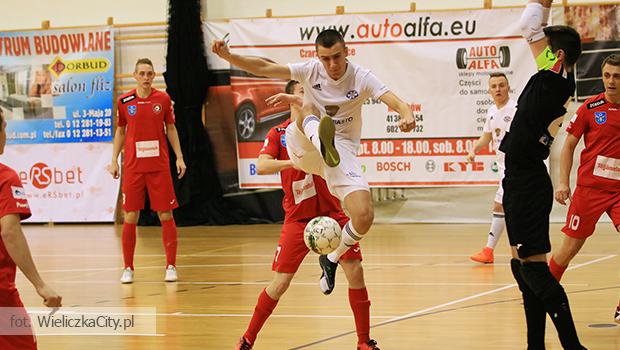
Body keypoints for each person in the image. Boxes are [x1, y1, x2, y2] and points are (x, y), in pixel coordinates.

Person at [212, 29, 415, 295]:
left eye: (337, 57)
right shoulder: (310, 71)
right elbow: (264, 67)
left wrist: (406, 112)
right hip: (303, 146)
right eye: (325, 58)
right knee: (306, 104)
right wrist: (229, 55)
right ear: (317, 56)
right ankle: (321, 140)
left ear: (347, 51)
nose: (332, 64)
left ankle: (330, 260)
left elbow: (394, 100)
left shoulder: (361, 77)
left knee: (364, 215)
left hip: (338, 154)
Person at [235, 81, 379, 350]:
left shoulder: (324, 129)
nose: (306, 97)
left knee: (356, 272)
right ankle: (247, 339)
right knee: (279, 284)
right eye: (301, 92)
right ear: (291, 98)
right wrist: (295, 161)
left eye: (310, 93)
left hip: (332, 215)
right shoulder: (278, 134)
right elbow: (262, 165)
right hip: (297, 221)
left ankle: (364, 342)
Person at [498, 1, 587, 348]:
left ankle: (572, 345)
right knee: (521, 268)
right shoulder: (557, 77)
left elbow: (528, 24)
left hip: (528, 182)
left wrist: (544, 5)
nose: (538, 52)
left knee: (534, 269)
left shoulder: (554, 82)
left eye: (545, 51)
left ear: (558, 56)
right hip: (517, 178)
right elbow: (535, 29)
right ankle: (535, 343)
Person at [549, 54, 620, 322]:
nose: (611, 81)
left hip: (619, 193)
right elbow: (568, 146)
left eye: (617, 76)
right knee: (568, 249)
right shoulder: (590, 108)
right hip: (590, 190)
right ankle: (544, 295)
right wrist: (563, 182)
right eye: (607, 75)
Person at [107, 58, 187, 284]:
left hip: (159, 167)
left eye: (149, 73)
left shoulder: (162, 99)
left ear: (154, 76)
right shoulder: (125, 101)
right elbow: (120, 132)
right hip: (133, 168)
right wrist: (114, 160)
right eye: (141, 73)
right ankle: (128, 268)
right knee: (131, 216)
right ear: (134, 75)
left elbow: (171, 129)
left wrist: (179, 157)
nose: (145, 77)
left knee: (166, 214)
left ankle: (171, 266)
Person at [0, 108, 62, 349]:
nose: (6, 133)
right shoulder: (6, 177)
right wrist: (40, 284)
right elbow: (9, 231)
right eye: (4, 127)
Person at [468, 73, 517, 264]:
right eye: (494, 86)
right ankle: (490, 251)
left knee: (500, 205)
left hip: (515, 168)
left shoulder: (515, 110)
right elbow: (487, 137)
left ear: (508, 87)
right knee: (505, 208)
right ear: (489, 91)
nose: (498, 89)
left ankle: (489, 251)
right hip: (503, 168)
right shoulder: (490, 111)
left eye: (501, 85)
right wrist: (474, 150)